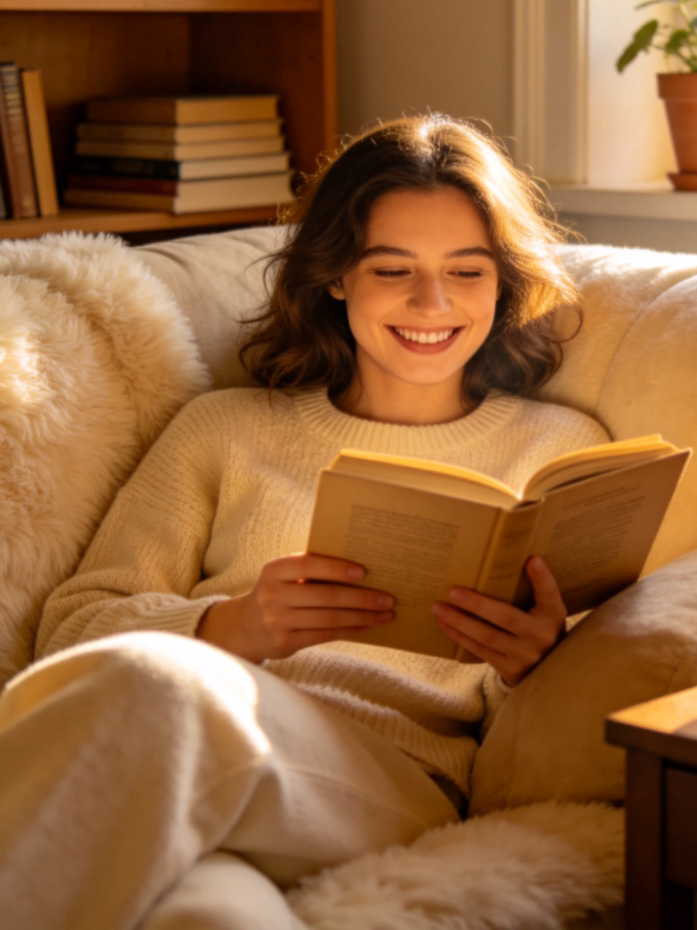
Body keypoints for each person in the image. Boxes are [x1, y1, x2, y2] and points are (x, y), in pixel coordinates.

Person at [0, 115, 611, 930]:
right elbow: (71, 636)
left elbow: (599, 688)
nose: (433, 303)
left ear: (503, 282)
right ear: (335, 277)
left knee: (163, 684)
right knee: (213, 918)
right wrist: (233, 626)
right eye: (393, 269)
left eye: (468, 271)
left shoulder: (561, 451)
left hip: (385, 782)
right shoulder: (224, 428)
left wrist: (539, 661)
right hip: (189, 765)